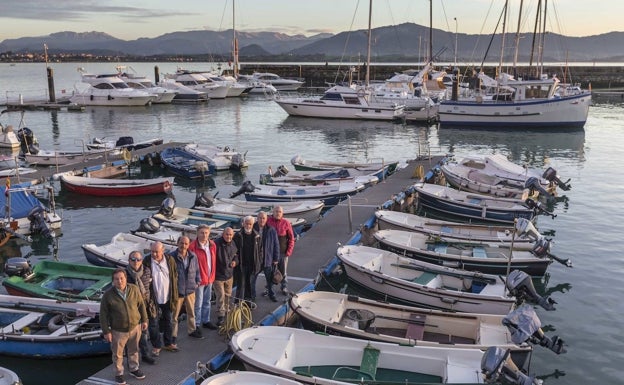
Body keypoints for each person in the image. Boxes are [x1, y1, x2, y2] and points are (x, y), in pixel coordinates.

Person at [100, 268, 148, 385]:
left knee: (134, 350)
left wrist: (144, 320)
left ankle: (134, 369)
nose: (119, 281)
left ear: (126, 278)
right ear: (113, 281)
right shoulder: (108, 295)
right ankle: (119, 374)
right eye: (116, 279)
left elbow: (141, 305)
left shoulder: (134, 289)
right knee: (118, 354)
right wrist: (106, 331)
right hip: (118, 330)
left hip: (135, 327)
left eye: (122, 278)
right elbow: (103, 315)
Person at [143, 241, 179, 354]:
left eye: (157, 252)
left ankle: (168, 343)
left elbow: (174, 275)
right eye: (152, 251)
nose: (154, 254)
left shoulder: (170, 260)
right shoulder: (147, 261)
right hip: (153, 298)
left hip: (168, 296)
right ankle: (156, 345)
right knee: (153, 323)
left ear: (162, 250)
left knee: (168, 320)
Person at [125, 250, 157, 365]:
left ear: (141, 261)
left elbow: (150, 288)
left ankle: (145, 354)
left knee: (144, 332)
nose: (136, 262)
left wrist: (152, 303)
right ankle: (130, 359)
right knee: (131, 335)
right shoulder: (124, 274)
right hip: (131, 308)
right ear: (129, 261)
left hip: (145, 305)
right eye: (133, 259)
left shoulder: (147, 271)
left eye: (138, 259)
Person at [169, 235, 203, 340]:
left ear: (189, 245)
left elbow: (197, 270)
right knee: (174, 315)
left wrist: (198, 281)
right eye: (181, 243)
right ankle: (173, 335)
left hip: (190, 290)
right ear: (177, 243)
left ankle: (192, 330)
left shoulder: (193, 256)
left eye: (186, 243)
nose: (183, 246)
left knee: (191, 312)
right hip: (177, 291)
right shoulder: (171, 257)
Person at [189, 224, 218, 330]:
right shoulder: (192, 247)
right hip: (199, 280)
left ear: (209, 233)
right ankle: (196, 324)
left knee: (207, 301)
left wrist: (213, 276)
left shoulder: (212, 245)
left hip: (210, 278)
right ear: (197, 233)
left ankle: (206, 320)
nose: (204, 235)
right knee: (198, 303)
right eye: (202, 232)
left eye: (206, 233)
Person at [233, 215, 262, 308]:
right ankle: (237, 303)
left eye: (250, 224)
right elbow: (234, 251)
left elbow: (260, 250)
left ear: (253, 224)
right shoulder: (238, 235)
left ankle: (247, 302)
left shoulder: (257, 235)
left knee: (249, 284)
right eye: (246, 223)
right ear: (243, 223)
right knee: (241, 285)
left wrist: (259, 262)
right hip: (241, 264)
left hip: (252, 264)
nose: (248, 226)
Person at [213, 227, 239, 326]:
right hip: (218, 275)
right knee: (221, 296)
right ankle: (220, 316)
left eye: (230, 235)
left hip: (229, 274)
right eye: (227, 234)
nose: (229, 236)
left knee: (228, 295)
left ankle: (227, 310)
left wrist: (235, 262)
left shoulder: (233, 243)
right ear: (223, 234)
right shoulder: (216, 244)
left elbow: (236, 256)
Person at [267, 205, 295, 294]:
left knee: (283, 272)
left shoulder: (286, 223)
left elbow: (291, 239)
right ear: (273, 212)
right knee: (270, 271)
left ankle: (284, 286)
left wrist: (289, 251)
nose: (278, 213)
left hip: (283, 252)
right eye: (276, 211)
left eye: (279, 212)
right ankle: (269, 287)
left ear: (282, 213)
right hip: (270, 253)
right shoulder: (268, 222)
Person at [255, 211, 280, 302]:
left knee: (269, 279)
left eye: (263, 218)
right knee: (252, 279)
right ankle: (252, 296)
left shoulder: (271, 229)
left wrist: (276, 258)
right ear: (257, 218)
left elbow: (276, 245)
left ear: (266, 219)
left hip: (267, 259)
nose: (262, 220)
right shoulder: (253, 228)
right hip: (256, 260)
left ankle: (272, 294)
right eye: (260, 218)